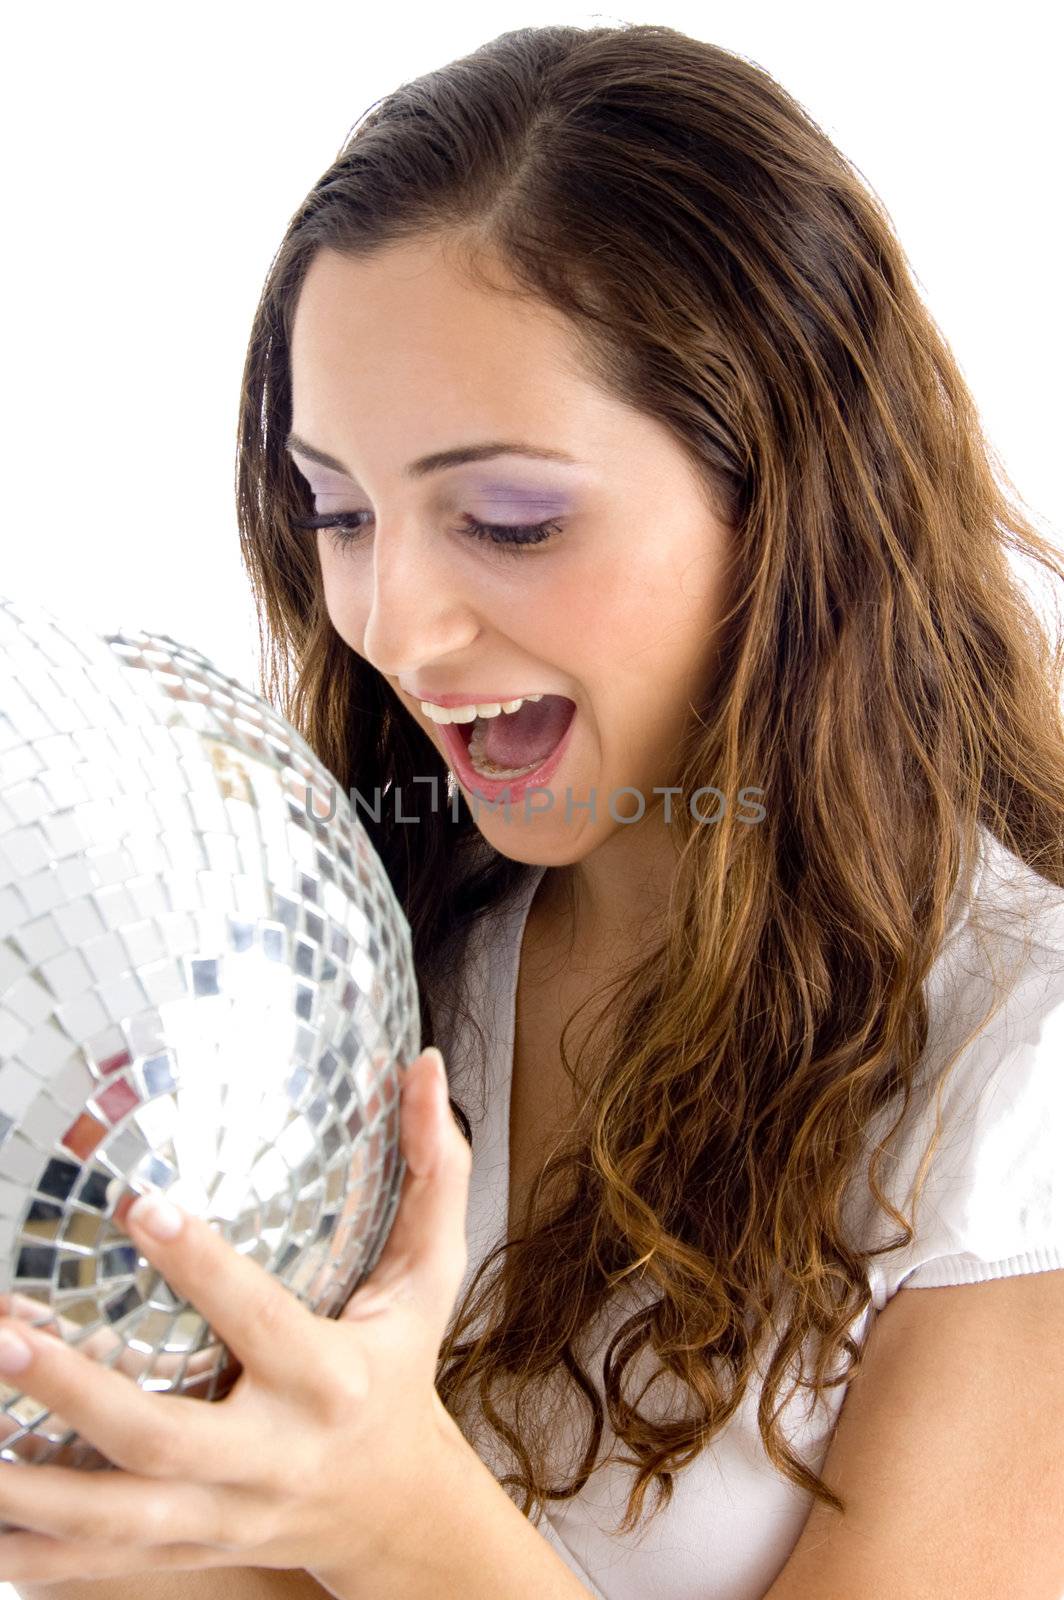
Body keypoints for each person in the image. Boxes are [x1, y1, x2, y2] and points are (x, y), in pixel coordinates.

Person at [12, 20, 1064, 1600]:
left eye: (507, 521)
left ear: (788, 496)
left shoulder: (1020, 1071)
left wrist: (397, 1518)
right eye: (339, 509)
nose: (393, 620)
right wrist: (98, 1482)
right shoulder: (362, 964)